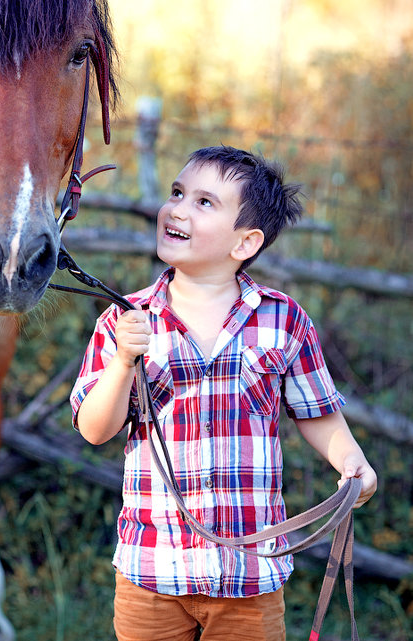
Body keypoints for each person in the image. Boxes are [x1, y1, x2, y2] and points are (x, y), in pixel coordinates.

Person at [70, 145, 377, 641]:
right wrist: (124, 362)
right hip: (152, 572)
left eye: (204, 202)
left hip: (250, 578)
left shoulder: (283, 320)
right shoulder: (124, 321)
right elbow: (94, 429)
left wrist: (351, 460)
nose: (177, 208)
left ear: (245, 242)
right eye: (176, 193)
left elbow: (317, 413)